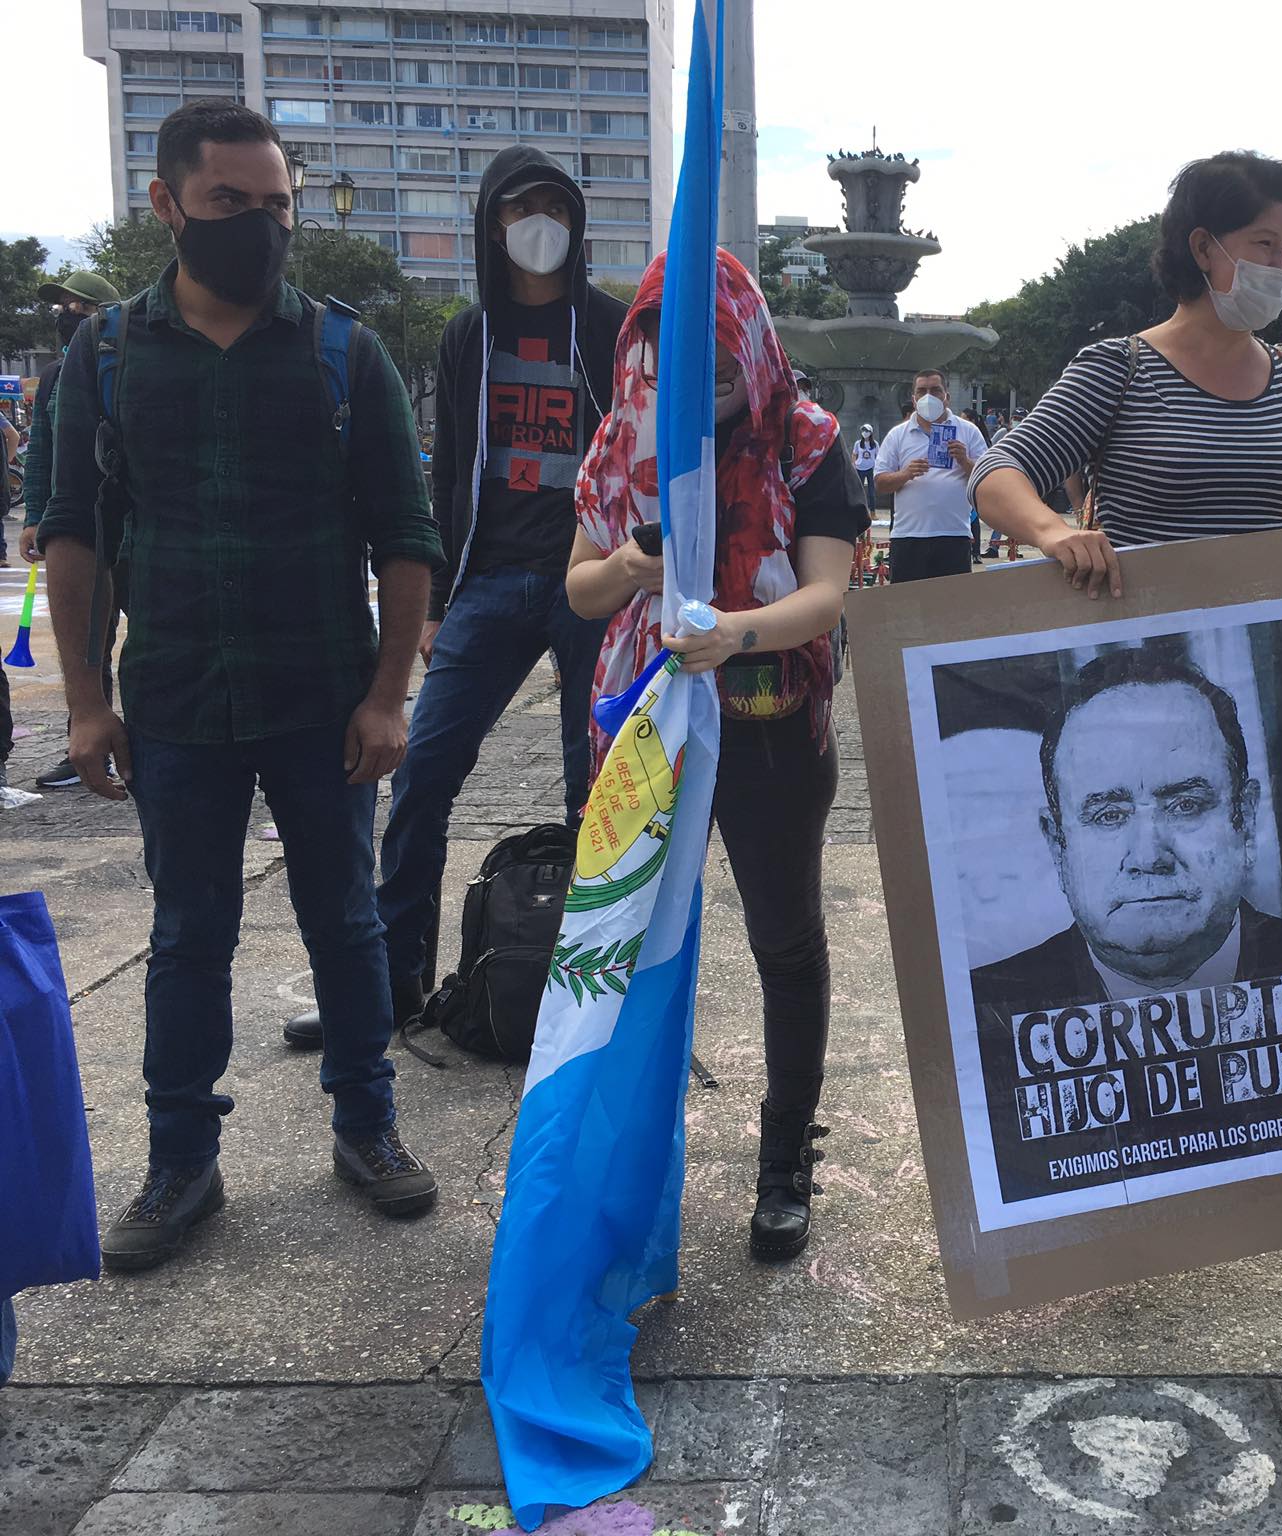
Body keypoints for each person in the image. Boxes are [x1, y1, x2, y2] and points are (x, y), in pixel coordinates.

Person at [37, 100, 446, 1269]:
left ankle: (367, 1128)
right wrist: (83, 701)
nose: (262, 228)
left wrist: (386, 696)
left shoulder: (340, 350)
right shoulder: (106, 352)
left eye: (278, 206)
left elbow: (404, 536)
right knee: (186, 933)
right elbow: (76, 536)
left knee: (348, 924)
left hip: (322, 698)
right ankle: (181, 1162)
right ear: (166, 205)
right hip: (173, 699)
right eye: (232, 204)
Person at [281, 147, 628, 1051]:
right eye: (522, 208)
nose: (541, 222)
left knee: (597, 790)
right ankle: (392, 985)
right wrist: (435, 599)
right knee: (422, 775)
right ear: (493, 224)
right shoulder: (469, 335)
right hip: (490, 578)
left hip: (590, 584)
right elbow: (444, 480)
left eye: (556, 204)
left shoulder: (614, 327)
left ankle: (591, 994)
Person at [566, 248, 866, 1262]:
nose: (699, 370)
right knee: (627, 942)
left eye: (715, 348)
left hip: (768, 719)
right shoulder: (622, 441)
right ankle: (616, 1166)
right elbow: (578, 590)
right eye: (669, 348)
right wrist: (627, 565)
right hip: (641, 730)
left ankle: (784, 1159)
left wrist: (736, 628)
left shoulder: (806, 442)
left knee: (783, 938)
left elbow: (824, 597)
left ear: (750, 333)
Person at [968, 151, 1282, 599]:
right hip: (1145, 650)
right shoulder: (1119, 368)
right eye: (1264, 244)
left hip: (1269, 652)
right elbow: (995, 472)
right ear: (1203, 247)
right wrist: (1052, 531)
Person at [969, 646, 1282, 1023]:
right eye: (1108, 815)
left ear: (1245, 819)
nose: (1148, 857)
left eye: (1185, 805)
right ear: (1057, 845)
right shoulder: (980, 1014)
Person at [20, 270, 124, 790]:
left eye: (80, 307)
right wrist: (37, 515)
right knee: (89, 641)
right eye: (62, 306)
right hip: (80, 526)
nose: (68, 314)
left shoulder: (124, 358)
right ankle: (86, 740)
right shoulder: (59, 376)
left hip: (131, 522)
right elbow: (43, 449)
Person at [873, 369, 985, 580]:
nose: (928, 397)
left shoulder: (968, 431)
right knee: (906, 607)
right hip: (908, 537)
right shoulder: (898, 435)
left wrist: (965, 461)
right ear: (914, 400)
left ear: (946, 397)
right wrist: (905, 474)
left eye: (935, 390)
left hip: (953, 535)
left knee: (951, 607)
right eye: (922, 391)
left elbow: (988, 480)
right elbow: (880, 483)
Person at [851, 422, 879, 513]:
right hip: (860, 468)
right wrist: (854, 464)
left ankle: (872, 512)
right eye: (863, 430)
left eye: (866, 430)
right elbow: (854, 454)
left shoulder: (875, 444)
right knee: (860, 491)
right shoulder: (858, 443)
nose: (864, 432)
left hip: (871, 468)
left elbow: (878, 456)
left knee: (871, 491)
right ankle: (861, 511)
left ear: (870, 432)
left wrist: (878, 468)